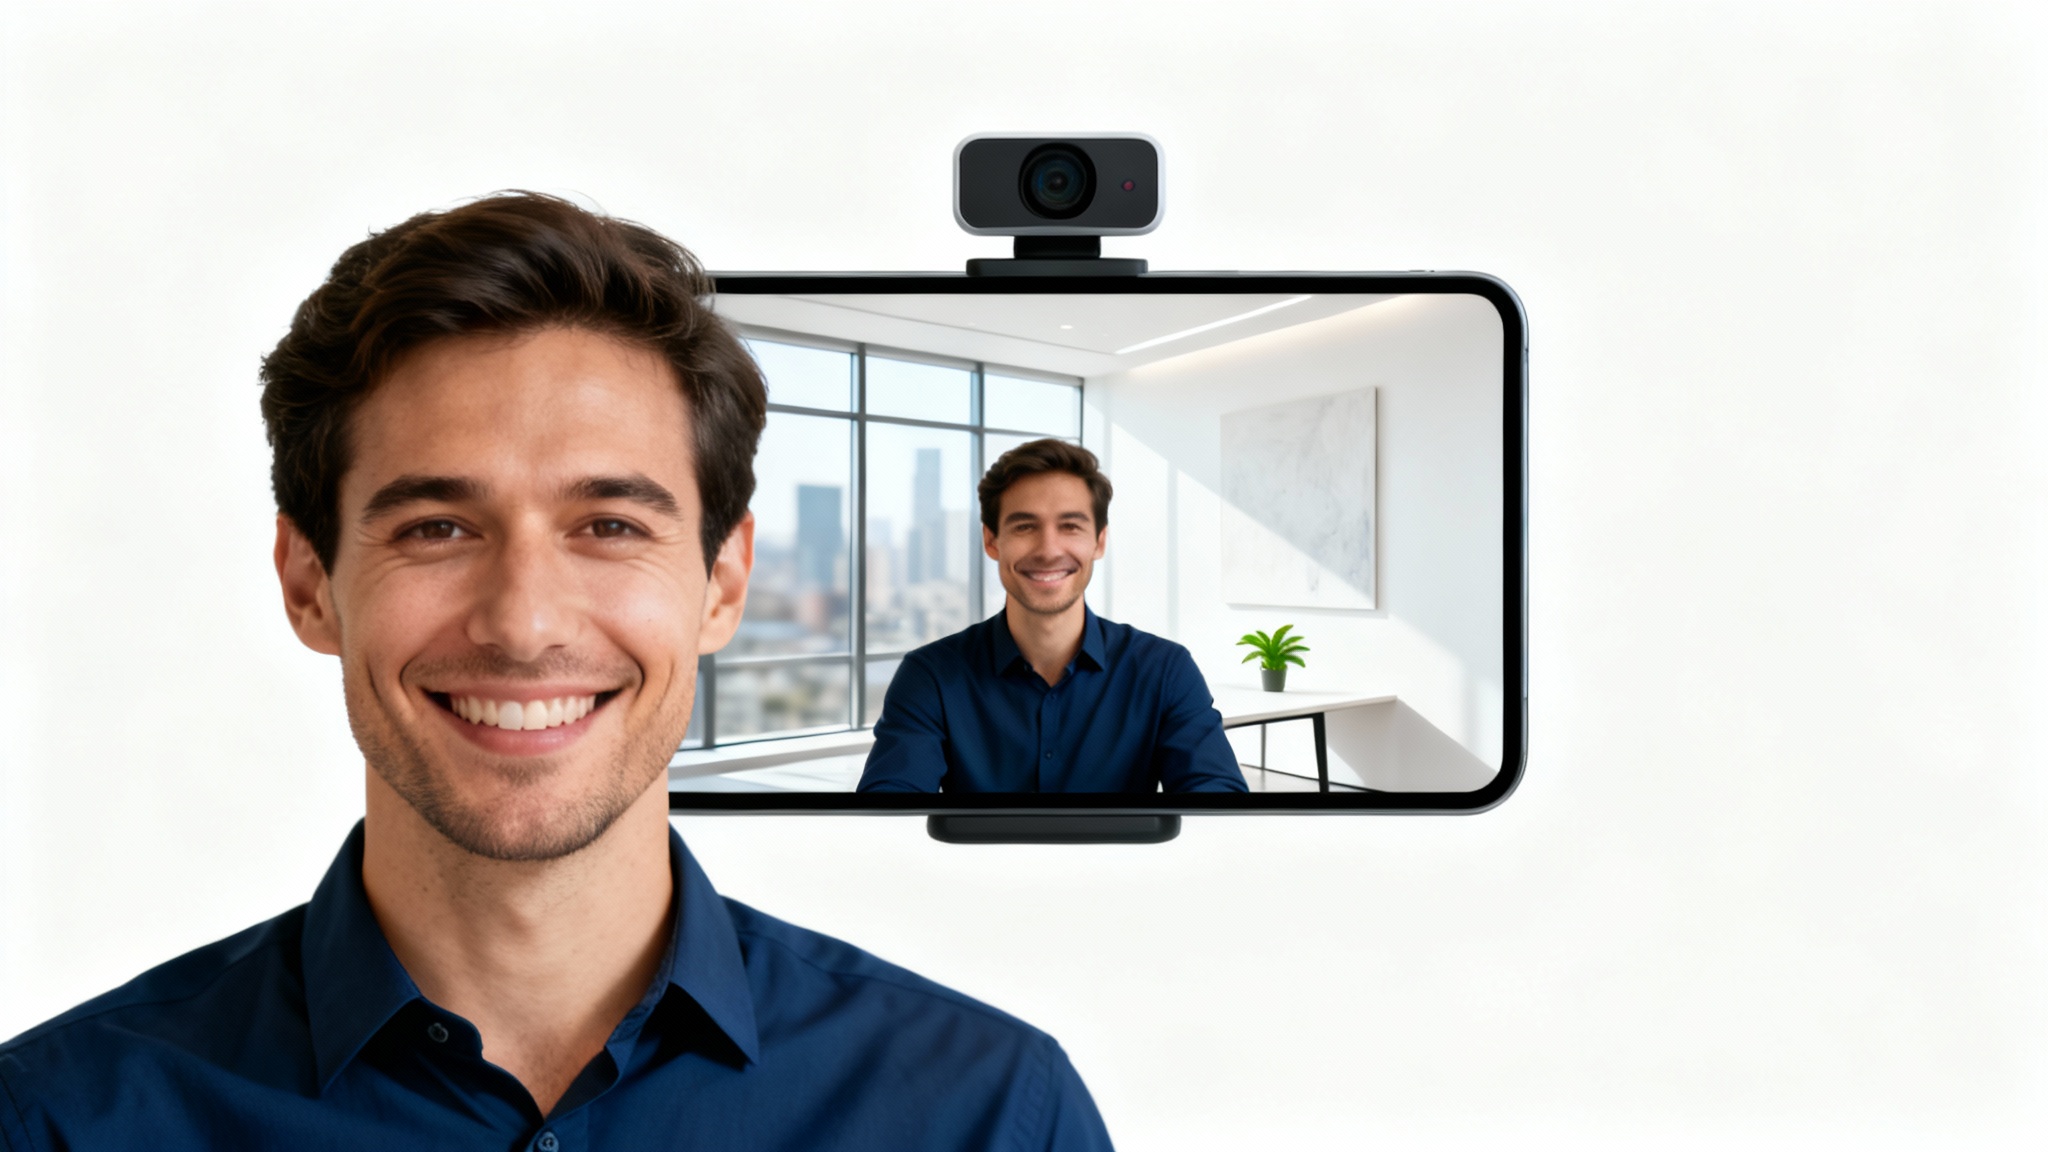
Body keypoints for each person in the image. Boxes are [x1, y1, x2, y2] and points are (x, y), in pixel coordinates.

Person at [0, 194, 1112, 1151]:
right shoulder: (59, 1121)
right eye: (436, 527)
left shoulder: (987, 1113)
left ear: (722, 583)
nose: (524, 624)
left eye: (609, 526)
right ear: (309, 583)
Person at [858, 440, 1247, 794]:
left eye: (1070, 526)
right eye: (1025, 526)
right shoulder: (931, 675)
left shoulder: (1164, 669)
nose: (1048, 549)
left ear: (1099, 541)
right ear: (992, 541)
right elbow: (888, 811)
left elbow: (1218, 801)